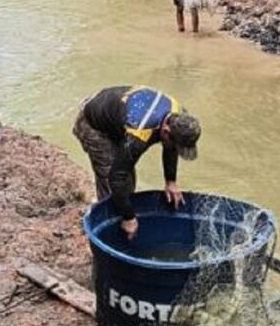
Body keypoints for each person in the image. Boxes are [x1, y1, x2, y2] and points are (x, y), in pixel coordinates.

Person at [73, 86, 201, 239]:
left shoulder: (179, 118)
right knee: (112, 178)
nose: (175, 149)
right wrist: (129, 217)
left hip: (117, 115)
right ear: (166, 132)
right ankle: (107, 227)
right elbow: (117, 177)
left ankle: (123, 217)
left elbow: (170, 148)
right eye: (175, 145)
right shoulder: (139, 133)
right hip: (93, 123)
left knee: (127, 182)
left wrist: (171, 181)